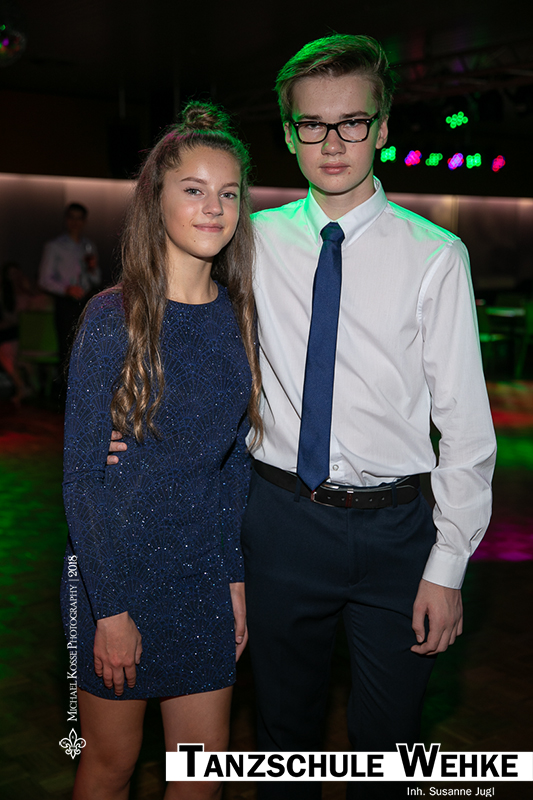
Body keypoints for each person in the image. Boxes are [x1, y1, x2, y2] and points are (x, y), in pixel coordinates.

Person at [109, 35, 496, 800]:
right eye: (312, 125)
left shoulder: (435, 255)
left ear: (382, 127)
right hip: (280, 522)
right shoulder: (249, 238)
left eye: (352, 122)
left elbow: (465, 427)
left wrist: (447, 565)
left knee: (388, 750)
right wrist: (133, 421)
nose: (332, 142)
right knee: (283, 739)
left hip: (396, 532)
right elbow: (184, 322)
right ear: (288, 135)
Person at [62, 101, 260, 800]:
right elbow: (83, 479)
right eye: (194, 189)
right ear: (157, 199)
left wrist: (234, 578)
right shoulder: (111, 319)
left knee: (202, 774)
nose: (214, 208)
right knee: (111, 767)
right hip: (116, 570)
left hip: (201, 575)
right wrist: (109, 609)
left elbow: (233, 463)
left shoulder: (239, 316)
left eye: (228, 193)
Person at [38, 202, 101, 382]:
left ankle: (86, 388)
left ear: (84, 221)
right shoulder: (55, 246)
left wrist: (92, 269)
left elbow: (95, 279)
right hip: (66, 303)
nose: (75, 222)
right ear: (66, 220)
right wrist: (66, 289)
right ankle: (66, 391)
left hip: (86, 301)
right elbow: (44, 280)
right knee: (67, 349)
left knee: (87, 347)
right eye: (71, 217)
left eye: (79, 218)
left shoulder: (88, 246)